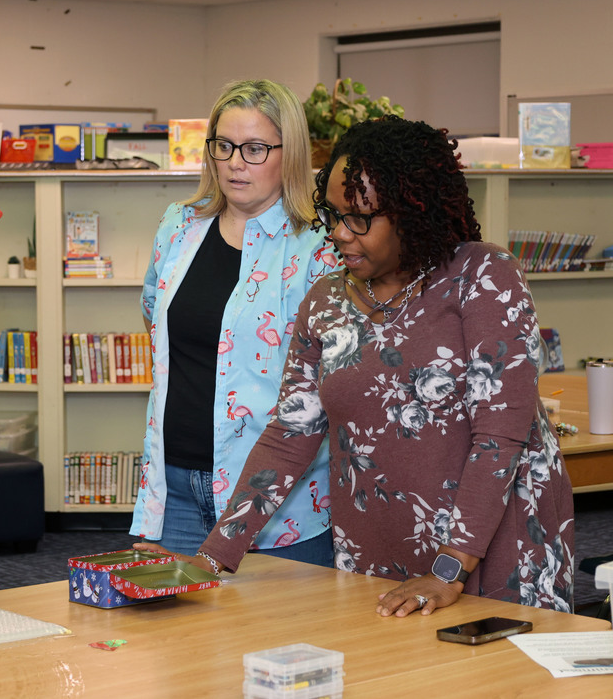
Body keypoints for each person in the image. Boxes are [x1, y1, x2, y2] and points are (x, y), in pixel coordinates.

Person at [160, 114, 574, 616]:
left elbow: (500, 438)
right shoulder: (326, 300)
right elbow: (289, 436)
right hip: (376, 547)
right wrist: (212, 557)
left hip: (490, 546)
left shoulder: (483, 277)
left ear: (412, 213)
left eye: (359, 218)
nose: (339, 233)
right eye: (332, 214)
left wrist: (449, 570)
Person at [131, 79, 341, 565]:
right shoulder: (179, 225)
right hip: (177, 485)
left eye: (254, 148)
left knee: (278, 640)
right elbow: (153, 316)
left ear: (289, 155)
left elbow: (328, 380)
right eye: (223, 146)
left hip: (279, 497)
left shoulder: (319, 246)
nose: (234, 162)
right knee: (179, 639)